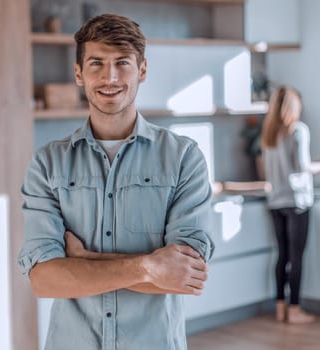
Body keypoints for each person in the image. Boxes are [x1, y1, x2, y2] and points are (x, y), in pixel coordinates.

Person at [18, 14, 214, 350]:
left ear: (142, 71)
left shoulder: (183, 158)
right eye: (97, 63)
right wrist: (149, 266)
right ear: (79, 73)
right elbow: (45, 279)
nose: (110, 77)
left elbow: (184, 277)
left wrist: (84, 261)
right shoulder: (48, 163)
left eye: (122, 62)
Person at [261, 86, 320, 324]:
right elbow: (301, 166)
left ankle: (280, 306)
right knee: (296, 256)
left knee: (282, 255)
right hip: (297, 201)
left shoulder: (269, 133)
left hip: (275, 201)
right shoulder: (298, 130)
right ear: (294, 106)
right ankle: (295, 310)